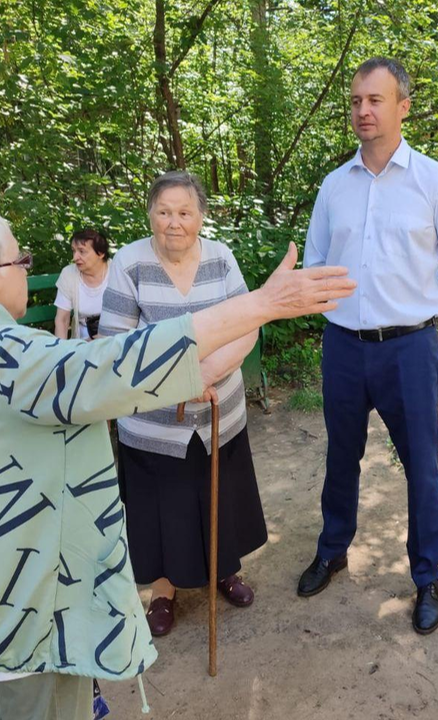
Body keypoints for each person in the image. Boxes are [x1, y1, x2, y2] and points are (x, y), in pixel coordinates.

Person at [0, 193, 353, 720]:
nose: (25, 268)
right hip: (19, 616)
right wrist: (264, 303)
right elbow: (112, 363)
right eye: (20, 261)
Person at [298, 57, 438, 634]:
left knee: (422, 467)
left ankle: (427, 575)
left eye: (375, 100)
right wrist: (341, 313)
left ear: (403, 106)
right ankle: (333, 549)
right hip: (345, 349)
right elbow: (314, 266)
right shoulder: (335, 185)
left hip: (409, 350)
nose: (363, 111)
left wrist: (424, 308)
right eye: (356, 101)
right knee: (340, 457)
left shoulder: (434, 181)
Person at [99, 171, 266, 637]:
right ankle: (163, 591)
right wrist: (178, 381)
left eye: (185, 212)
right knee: (161, 506)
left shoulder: (221, 257)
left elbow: (247, 324)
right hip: (153, 421)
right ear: (150, 213)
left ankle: (223, 571)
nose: (174, 222)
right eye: (164, 211)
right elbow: (116, 342)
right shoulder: (129, 263)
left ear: (201, 216)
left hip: (219, 409)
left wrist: (207, 374)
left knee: (220, 495)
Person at [54, 229, 111, 340]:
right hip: (82, 346)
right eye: (74, 251)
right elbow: (62, 320)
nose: (75, 257)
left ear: (100, 253)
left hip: (114, 342)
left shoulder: (117, 271)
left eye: (82, 251)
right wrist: (61, 353)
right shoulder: (68, 274)